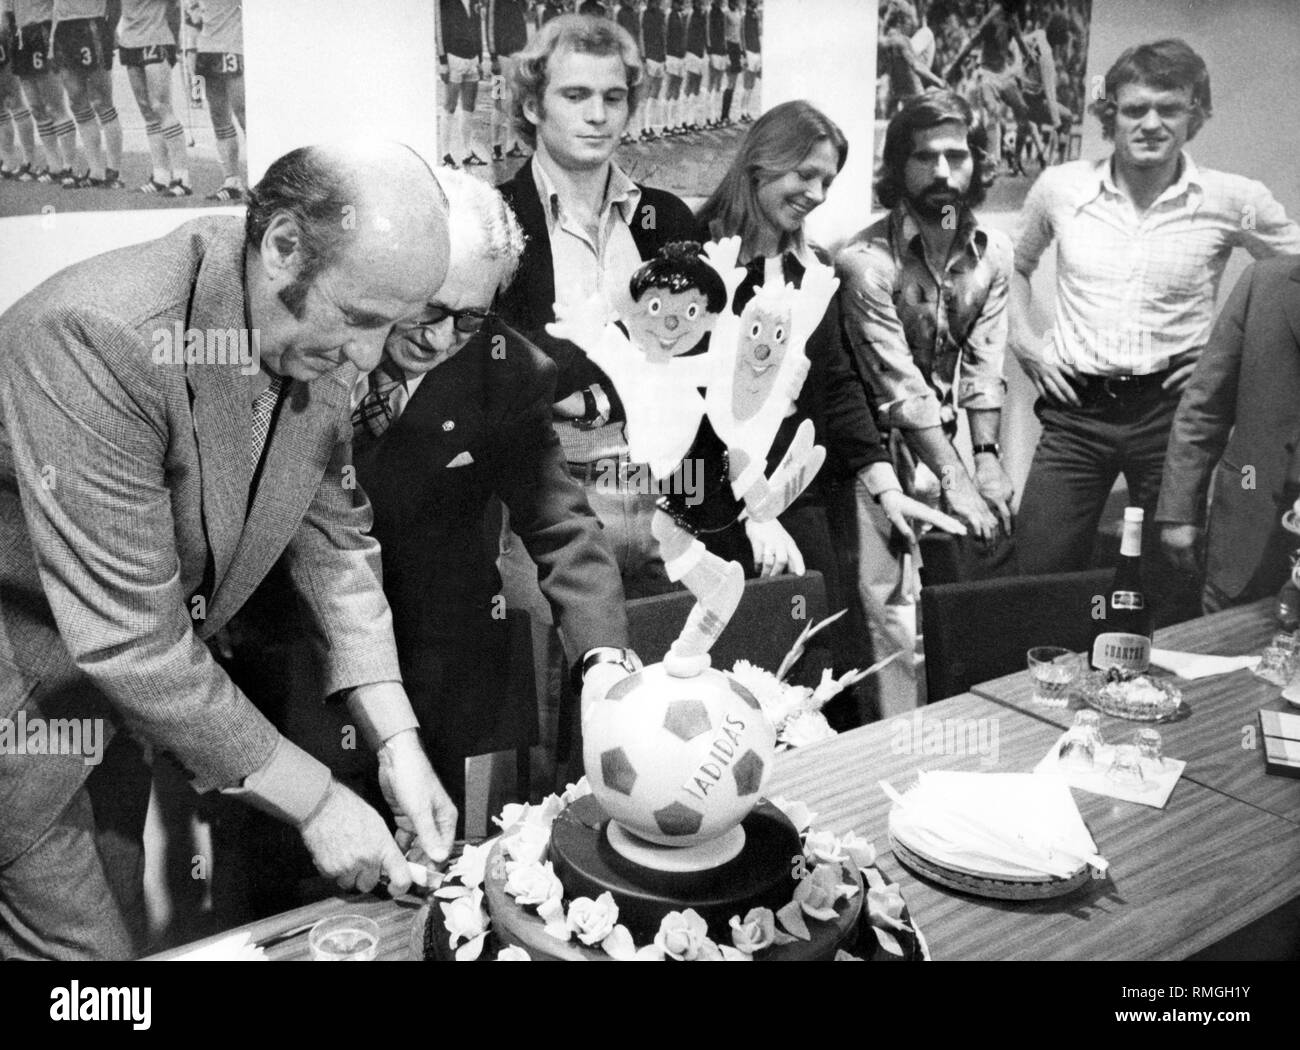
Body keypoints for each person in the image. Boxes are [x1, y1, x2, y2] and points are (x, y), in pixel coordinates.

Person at [0, 141, 458, 960]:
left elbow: (334, 544)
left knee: (118, 945)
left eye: (396, 324)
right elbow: (134, 642)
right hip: (22, 710)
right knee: (87, 971)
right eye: (358, 319)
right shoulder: (100, 334)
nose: (368, 357)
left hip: (110, 710)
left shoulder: (306, 324)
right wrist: (316, 802)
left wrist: (398, 742)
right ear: (282, 243)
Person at [350, 168, 636, 811]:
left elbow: (559, 520)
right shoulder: (322, 342)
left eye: (469, 318)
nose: (438, 338)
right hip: (305, 660)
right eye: (426, 309)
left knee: (431, 856)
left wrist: (605, 660)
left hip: (437, 659)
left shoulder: (510, 372)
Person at [696, 99, 964, 722]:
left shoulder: (813, 270)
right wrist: (748, 503)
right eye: (804, 175)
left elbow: (840, 388)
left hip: (800, 496)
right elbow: (688, 395)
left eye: (827, 180)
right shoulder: (696, 255)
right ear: (762, 163)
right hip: (709, 497)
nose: (816, 193)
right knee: (724, 691)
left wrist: (884, 486)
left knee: (814, 681)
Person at [1011, 39, 1300, 611]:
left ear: (1195, 115)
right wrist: (1026, 342)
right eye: (1134, 108)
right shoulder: (1060, 189)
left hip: (1171, 418)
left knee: (1172, 574)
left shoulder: (1235, 199)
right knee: (1035, 570)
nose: (1150, 123)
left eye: (1169, 109)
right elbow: (1016, 268)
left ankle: (1148, 693)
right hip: (1077, 416)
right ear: (1108, 113)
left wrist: (1225, 355)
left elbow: (1290, 285)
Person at [497, 12, 698, 599]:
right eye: (576, 95)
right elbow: (507, 369)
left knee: (673, 675)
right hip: (551, 496)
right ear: (534, 106)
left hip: (670, 488)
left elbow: (695, 352)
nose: (597, 114)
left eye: (614, 97)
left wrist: (590, 388)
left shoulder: (669, 217)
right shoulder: (495, 218)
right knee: (562, 680)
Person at [837, 89, 1012, 715]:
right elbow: (897, 384)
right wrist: (955, 475)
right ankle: (893, 750)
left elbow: (986, 365)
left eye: (957, 156)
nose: (943, 172)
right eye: (924, 157)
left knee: (948, 603)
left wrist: (986, 458)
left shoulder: (993, 254)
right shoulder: (864, 262)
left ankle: (957, 735)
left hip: (946, 450)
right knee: (887, 614)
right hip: (872, 454)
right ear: (897, 167)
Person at [1156, 258, 1300, 613]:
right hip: (1245, 538)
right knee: (1222, 659)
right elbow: (1205, 406)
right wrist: (1179, 512)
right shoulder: (1263, 282)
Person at [5, 0, 84, 185]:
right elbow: (9, 12)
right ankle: (53, 165)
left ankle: (69, 166)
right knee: (36, 108)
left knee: (54, 106)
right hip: (21, 36)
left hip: (42, 32)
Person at [117, 0, 190, 195]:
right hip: (129, 41)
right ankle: (160, 176)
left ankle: (182, 179)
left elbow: (175, 8)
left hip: (156, 38)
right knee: (147, 110)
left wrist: (174, 42)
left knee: (160, 106)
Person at [49, 0, 122, 186]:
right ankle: (96, 172)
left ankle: (113, 171)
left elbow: (115, 4)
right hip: (63, 30)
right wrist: (51, 42)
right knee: (77, 102)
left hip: (91, 25)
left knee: (101, 101)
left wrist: (108, 30)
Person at [188, 0, 244, 199]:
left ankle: (263, 179)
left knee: (244, 114)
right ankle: (232, 181)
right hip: (206, 51)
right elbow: (191, 26)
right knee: (219, 118)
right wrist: (195, 87)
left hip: (233, 47)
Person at [437, 0, 488, 168]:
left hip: (472, 59)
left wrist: (479, 60)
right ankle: (445, 155)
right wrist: (443, 61)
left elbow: (478, 31)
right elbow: (439, 30)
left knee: (469, 108)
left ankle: (467, 152)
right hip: (454, 59)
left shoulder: (474, 2)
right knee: (450, 106)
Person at [488, 0, 530, 162]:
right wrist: (493, 57)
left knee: (515, 102)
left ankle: (512, 145)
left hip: (517, 58)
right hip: (501, 58)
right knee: (498, 101)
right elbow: (490, 28)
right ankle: (496, 146)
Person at [639, 0, 665, 139]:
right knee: (646, 94)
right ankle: (643, 128)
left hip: (660, 57)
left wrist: (664, 55)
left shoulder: (661, 14)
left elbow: (663, 35)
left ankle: (652, 127)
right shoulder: (644, 14)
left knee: (655, 95)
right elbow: (641, 35)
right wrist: (643, 56)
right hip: (649, 57)